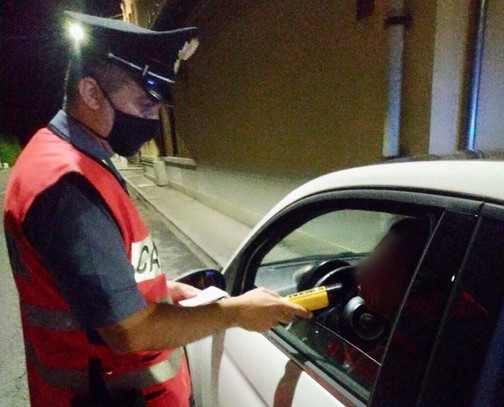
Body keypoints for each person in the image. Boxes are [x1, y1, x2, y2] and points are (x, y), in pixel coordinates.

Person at [3, 11, 311, 407]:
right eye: (144, 106)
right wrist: (235, 313)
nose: (152, 121)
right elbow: (129, 332)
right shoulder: (68, 185)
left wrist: (165, 292)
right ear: (92, 94)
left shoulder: (74, 157)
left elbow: (94, 282)